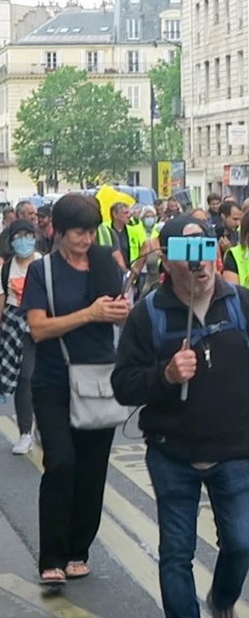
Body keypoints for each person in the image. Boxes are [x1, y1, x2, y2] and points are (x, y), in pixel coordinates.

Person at [112, 216, 249, 618]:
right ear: (168, 263)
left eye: (207, 251)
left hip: (234, 450)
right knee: (176, 554)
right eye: (188, 255)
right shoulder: (147, 314)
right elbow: (123, 385)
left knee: (242, 542)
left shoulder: (242, 304)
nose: (200, 264)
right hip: (172, 452)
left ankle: (223, 599)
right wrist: (165, 376)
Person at [22, 194, 129, 586]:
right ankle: (50, 556)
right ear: (59, 231)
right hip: (54, 380)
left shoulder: (105, 263)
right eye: (78, 233)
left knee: (92, 470)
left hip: (99, 378)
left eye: (91, 231)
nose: (86, 240)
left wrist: (119, 313)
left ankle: (77, 550)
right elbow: (38, 328)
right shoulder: (42, 272)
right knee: (61, 462)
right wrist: (90, 314)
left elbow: (116, 316)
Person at [1, 219, 42, 455]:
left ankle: (43, 427)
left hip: (44, 321)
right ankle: (25, 432)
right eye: (18, 237)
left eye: (27, 235)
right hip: (16, 325)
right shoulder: (6, 268)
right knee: (24, 377)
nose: (23, 241)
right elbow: (2, 299)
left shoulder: (43, 262)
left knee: (45, 378)